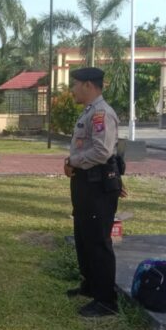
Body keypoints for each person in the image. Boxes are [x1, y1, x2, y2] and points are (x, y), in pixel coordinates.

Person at [65, 67, 122, 317]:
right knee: (83, 235)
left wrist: (73, 161)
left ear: (88, 85)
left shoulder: (101, 113)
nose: (72, 89)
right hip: (86, 182)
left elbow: (102, 152)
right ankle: (90, 285)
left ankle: (106, 301)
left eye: (75, 84)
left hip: (97, 185)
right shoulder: (90, 112)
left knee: (98, 240)